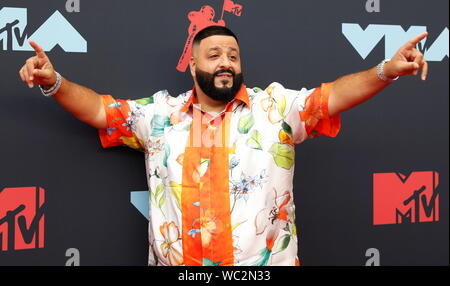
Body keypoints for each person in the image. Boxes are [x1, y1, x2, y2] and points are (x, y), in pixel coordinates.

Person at [18, 26, 428, 266]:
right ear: (194, 65)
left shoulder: (277, 108)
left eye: (232, 55)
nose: (226, 62)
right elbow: (100, 111)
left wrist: (385, 71)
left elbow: (332, 96)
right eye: (214, 55)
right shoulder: (160, 116)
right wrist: (53, 83)